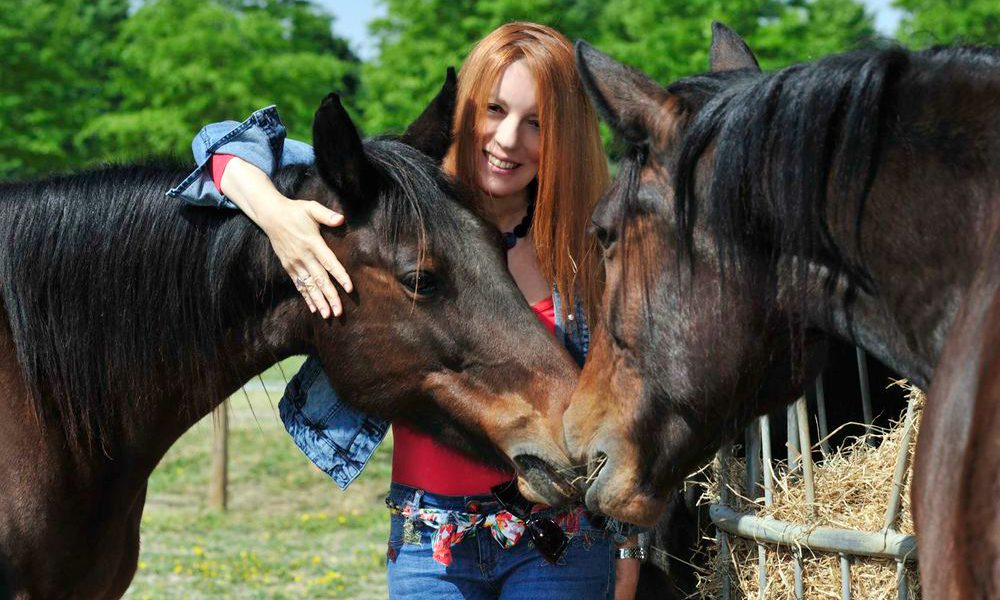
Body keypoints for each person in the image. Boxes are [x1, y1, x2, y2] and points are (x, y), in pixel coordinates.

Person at [168, 21, 641, 600]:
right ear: (465, 112)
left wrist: (623, 543)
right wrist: (276, 214)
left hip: (560, 542)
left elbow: (619, 409)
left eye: (537, 122)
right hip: (430, 541)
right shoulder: (406, 205)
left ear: (563, 136)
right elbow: (220, 140)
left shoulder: (587, 249)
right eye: (494, 110)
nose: (509, 139)